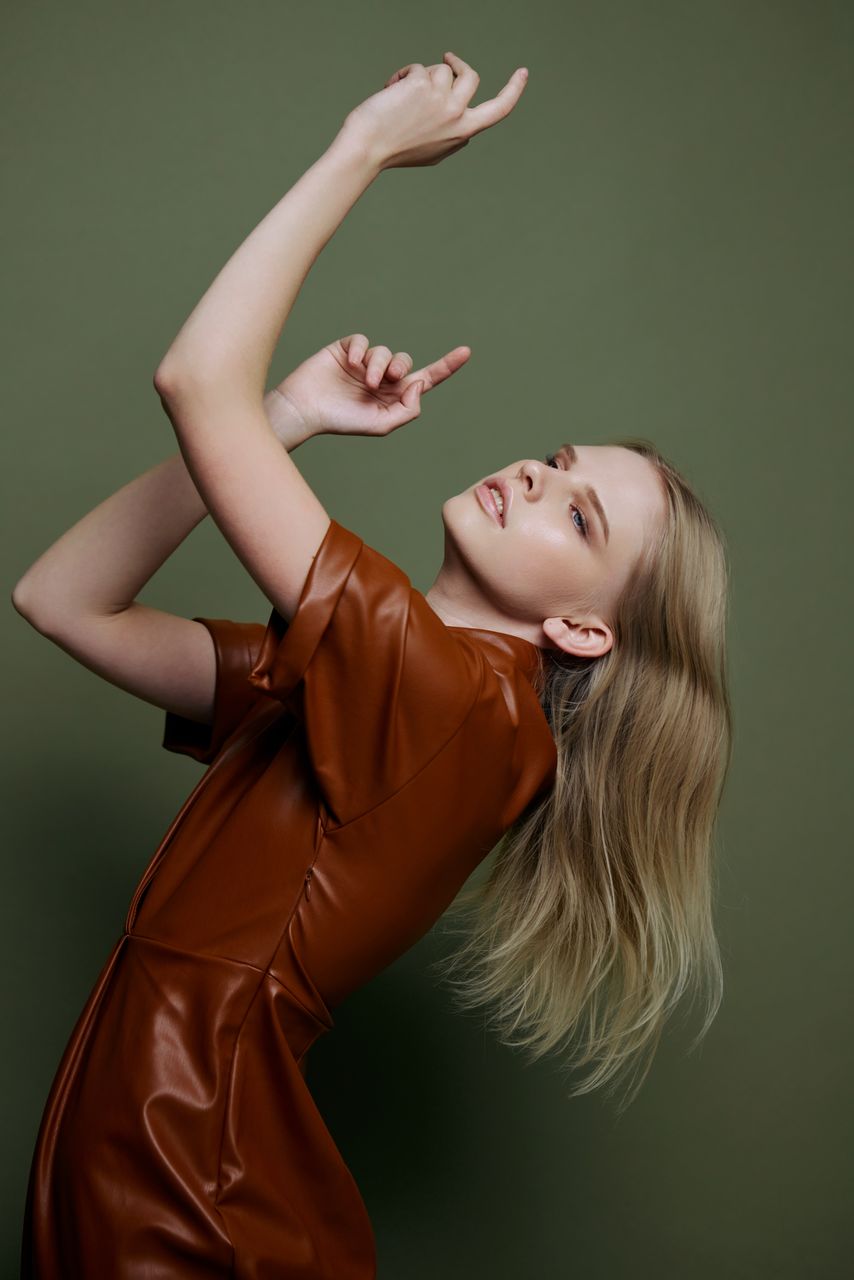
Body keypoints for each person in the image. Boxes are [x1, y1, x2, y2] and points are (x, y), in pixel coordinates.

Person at [13, 52, 732, 1278]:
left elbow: (195, 380)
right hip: (161, 1167)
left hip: (185, 1196)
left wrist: (361, 148)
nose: (538, 477)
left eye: (579, 521)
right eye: (561, 459)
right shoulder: (384, 689)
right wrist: (283, 420)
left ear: (584, 631)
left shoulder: (446, 705)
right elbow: (65, 598)